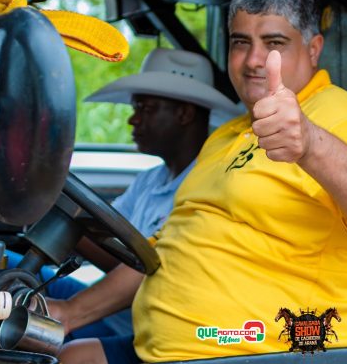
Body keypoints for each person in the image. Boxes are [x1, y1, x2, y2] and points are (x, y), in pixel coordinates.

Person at [59, 0, 347, 364]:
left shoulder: (344, 119)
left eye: (274, 43)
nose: (253, 61)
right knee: (75, 356)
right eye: (240, 43)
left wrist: (310, 144)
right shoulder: (228, 135)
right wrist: (68, 314)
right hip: (184, 348)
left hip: (272, 350)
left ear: (314, 48)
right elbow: (166, 248)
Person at [43, 48, 239, 339]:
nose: (132, 120)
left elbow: (148, 269)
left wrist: (69, 223)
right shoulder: (151, 180)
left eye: (145, 109)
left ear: (184, 114)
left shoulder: (207, 185)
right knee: (10, 271)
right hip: (116, 315)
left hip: (137, 329)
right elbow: (108, 232)